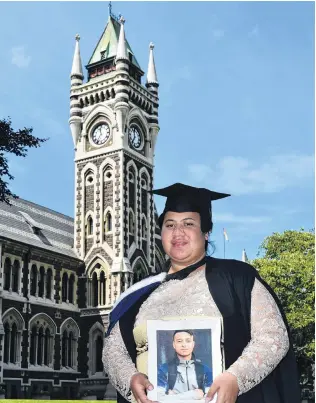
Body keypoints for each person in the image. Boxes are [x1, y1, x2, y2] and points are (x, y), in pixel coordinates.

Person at [103, 183, 301, 403]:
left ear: (206, 233)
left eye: (188, 224)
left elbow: (273, 337)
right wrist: (131, 378)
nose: (177, 232)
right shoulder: (140, 293)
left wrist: (235, 378)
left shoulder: (237, 277)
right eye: (169, 225)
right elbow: (114, 351)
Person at [157, 330, 213, 401]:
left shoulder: (205, 370)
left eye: (188, 341)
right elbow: (158, 398)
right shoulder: (164, 369)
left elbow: (211, 398)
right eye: (179, 341)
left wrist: (173, 397)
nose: (184, 345)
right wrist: (194, 395)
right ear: (174, 345)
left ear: (193, 344)